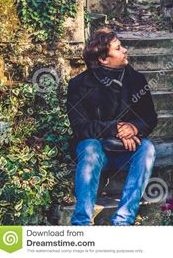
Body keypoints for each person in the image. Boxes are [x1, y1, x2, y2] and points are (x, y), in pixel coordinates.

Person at [66, 28, 158, 225]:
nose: (125, 50)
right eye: (118, 48)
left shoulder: (137, 80)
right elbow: (80, 128)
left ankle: (123, 219)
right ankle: (81, 222)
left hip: (127, 149)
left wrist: (134, 128)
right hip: (96, 151)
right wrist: (114, 128)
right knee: (89, 147)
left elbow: (150, 117)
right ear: (103, 59)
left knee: (147, 148)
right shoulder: (78, 85)